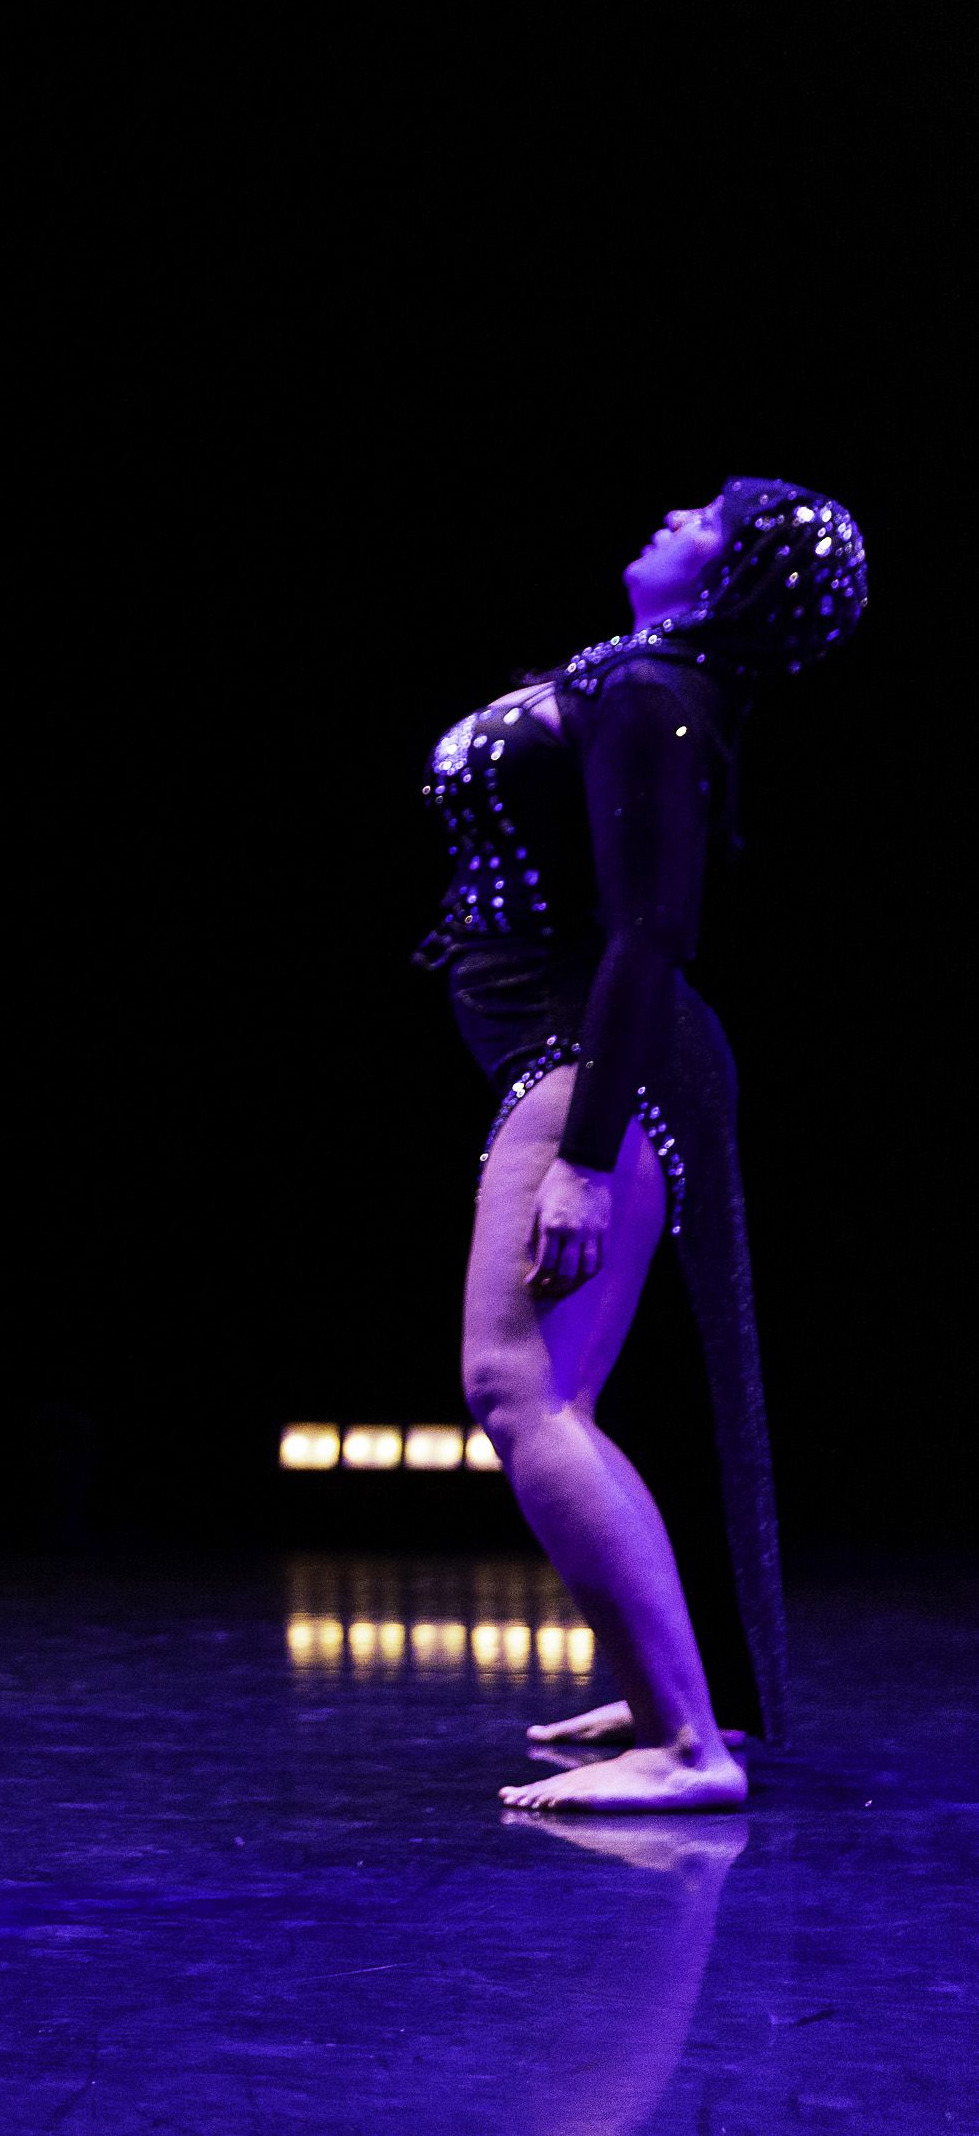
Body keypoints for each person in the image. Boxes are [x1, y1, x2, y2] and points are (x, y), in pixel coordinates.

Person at [423, 480, 865, 1813]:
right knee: (564, 1390)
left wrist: (586, 1153)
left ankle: (688, 1746)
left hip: (595, 1063)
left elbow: (650, 928)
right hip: (572, 1052)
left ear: (730, 575)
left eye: (708, 515)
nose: (675, 512)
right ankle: (659, 1682)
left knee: (520, 1389)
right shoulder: (635, 677)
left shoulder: (655, 688)